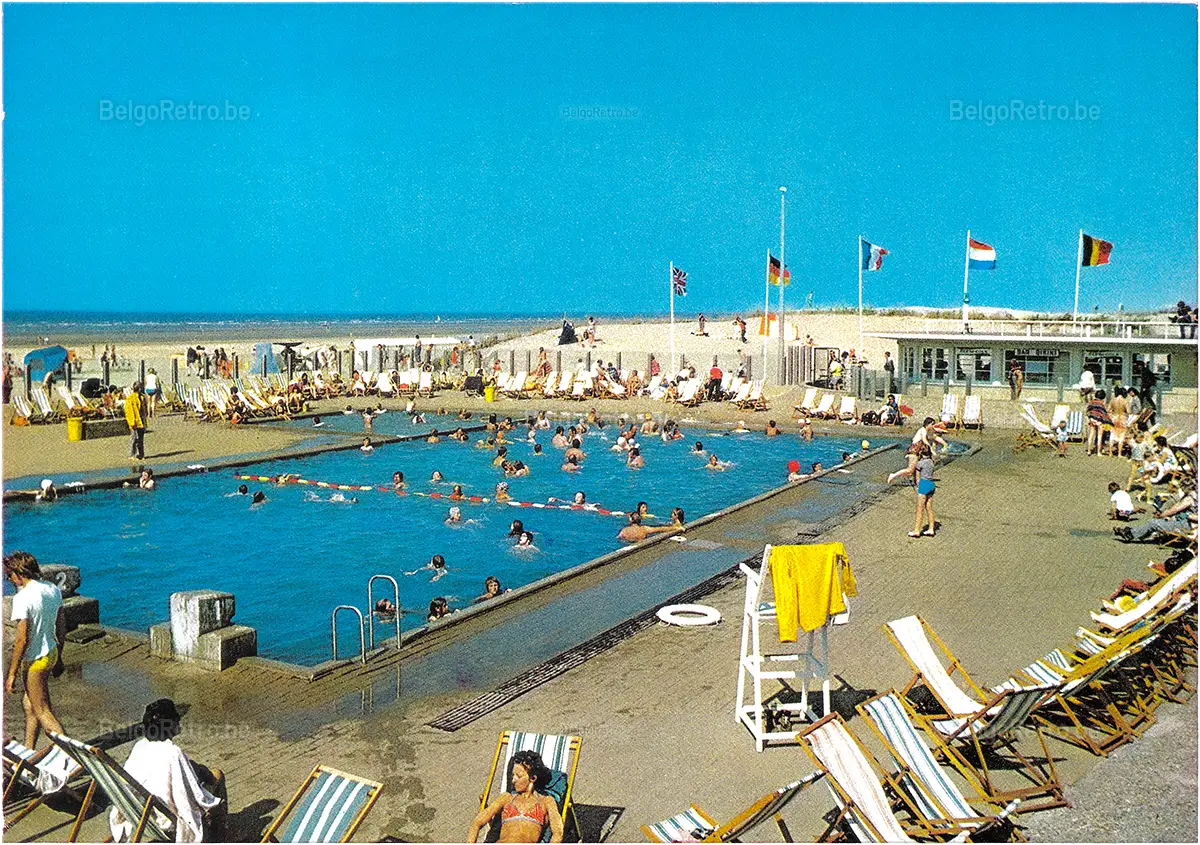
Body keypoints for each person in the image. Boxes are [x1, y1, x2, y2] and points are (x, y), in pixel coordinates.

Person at [112, 698, 225, 843]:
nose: (179, 722)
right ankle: (218, 835)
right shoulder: (173, 752)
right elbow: (189, 794)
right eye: (176, 719)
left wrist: (194, 767)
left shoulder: (140, 746)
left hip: (140, 814)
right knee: (217, 775)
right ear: (170, 725)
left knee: (200, 771)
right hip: (164, 818)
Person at [4, 552, 67, 750]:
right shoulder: (52, 589)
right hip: (51, 652)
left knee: (42, 711)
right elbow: (61, 626)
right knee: (30, 705)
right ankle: (29, 750)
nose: (9, 579)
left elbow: (22, 640)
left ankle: (70, 756)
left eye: (9, 575)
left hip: (35, 659)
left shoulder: (22, 598)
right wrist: (60, 657)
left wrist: (12, 673)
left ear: (18, 573)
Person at [468, 749, 564, 845]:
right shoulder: (506, 797)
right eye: (513, 775)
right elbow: (476, 823)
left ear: (533, 778)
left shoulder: (546, 801)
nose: (513, 780)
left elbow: (558, 833)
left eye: (519, 776)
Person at [887, 444, 937, 537]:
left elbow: (917, 478)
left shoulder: (919, 464)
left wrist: (917, 488)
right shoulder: (931, 462)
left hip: (923, 485)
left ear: (920, 453)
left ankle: (916, 530)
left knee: (919, 509)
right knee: (929, 509)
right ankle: (931, 529)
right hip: (931, 485)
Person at [126, 381, 146, 461]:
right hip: (134, 421)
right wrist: (132, 422)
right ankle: (132, 455)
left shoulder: (142, 397)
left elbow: (143, 410)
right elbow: (129, 411)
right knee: (134, 439)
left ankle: (141, 454)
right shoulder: (130, 398)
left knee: (141, 439)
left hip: (141, 421)